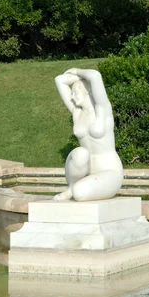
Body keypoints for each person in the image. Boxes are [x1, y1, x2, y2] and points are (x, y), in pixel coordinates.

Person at [53, 68, 123, 201]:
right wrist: (78, 80)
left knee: (80, 193)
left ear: (88, 92)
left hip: (109, 171)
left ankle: (75, 190)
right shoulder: (77, 112)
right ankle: (71, 189)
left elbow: (95, 76)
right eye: (72, 93)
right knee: (79, 153)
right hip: (85, 170)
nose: (72, 97)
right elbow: (60, 80)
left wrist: (77, 71)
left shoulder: (103, 111)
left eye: (76, 92)